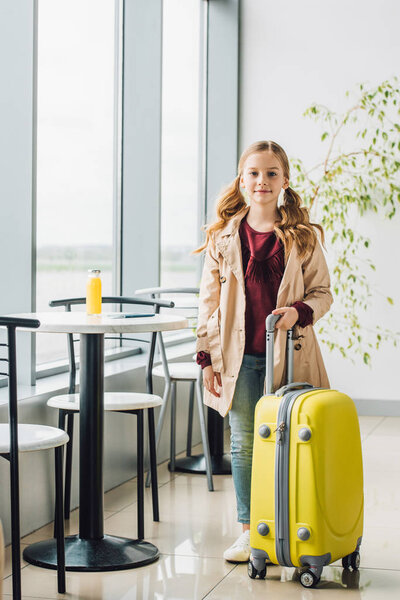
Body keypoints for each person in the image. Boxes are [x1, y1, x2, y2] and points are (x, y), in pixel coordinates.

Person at [193, 140, 333, 563]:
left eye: (272, 173)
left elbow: (323, 293)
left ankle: (290, 524)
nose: (262, 181)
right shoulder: (223, 237)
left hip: (290, 357)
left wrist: (299, 311)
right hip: (238, 360)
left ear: (285, 182)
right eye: (254, 173)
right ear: (242, 180)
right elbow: (208, 304)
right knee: (246, 445)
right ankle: (249, 531)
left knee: (293, 441)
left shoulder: (302, 238)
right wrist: (206, 358)